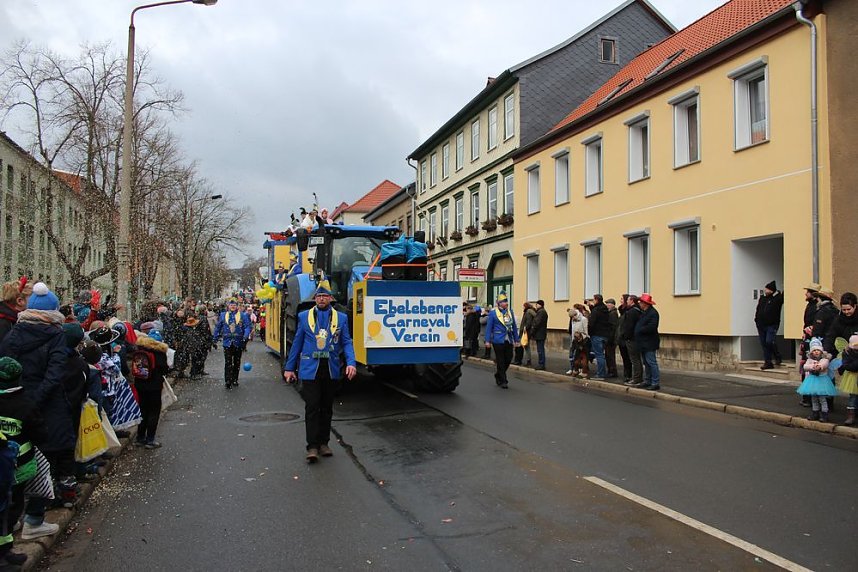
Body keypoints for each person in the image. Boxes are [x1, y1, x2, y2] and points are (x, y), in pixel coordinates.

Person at [0, 283, 69, 541]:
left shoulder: (14, 332)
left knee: (16, 460)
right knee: (44, 460)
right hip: (45, 408)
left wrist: (19, 399)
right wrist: (35, 403)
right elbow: (55, 374)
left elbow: (5, 367)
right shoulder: (55, 335)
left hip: (13, 405)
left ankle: (13, 517)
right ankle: (34, 519)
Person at [282, 282, 356, 463]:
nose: (322, 299)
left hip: (331, 368)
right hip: (310, 369)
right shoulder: (304, 316)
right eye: (319, 297)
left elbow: (346, 342)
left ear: (330, 298)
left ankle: (324, 443)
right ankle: (312, 446)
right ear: (315, 299)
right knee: (312, 407)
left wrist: (351, 363)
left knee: (327, 408)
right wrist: (289, 368)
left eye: (325, 296)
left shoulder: (341, 318)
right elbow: (297, 343)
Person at [0, 357, 45, 569]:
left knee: (7, 509)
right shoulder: (26, 404)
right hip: (18, 467)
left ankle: (5, 547)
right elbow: (39, 433)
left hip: (9, 466)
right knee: (12, 507)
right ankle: (4, 552)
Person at [132, 332, 170, 449]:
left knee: (143, 410)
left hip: (140, 384)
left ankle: (140, 437)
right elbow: (164, 369)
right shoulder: (160, 353)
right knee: (154, 411)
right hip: (154, 386)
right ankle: (150, 439)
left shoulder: (140, 349)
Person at [212, 299, 252, 389]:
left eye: (234, 305)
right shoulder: (223, 315)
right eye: (231, 305)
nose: (232, 307)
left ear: (237, 306)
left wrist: (245, 335)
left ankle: (235, 379)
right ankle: (228, 380)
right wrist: (214, 338)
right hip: (227, 342)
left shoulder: (242, 315)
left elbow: (247, 326)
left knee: (237, 362)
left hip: (238, 342)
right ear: (228, 306)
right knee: (228, 362)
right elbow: (218, 327)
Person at [485, 293, 520, 389]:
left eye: (506, 301)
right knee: (500, 360)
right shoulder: (493, 313)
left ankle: (498, 374)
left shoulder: (510, 312)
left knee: (508, 358)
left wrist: (517, 339)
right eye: (504, 302)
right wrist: (487, 341)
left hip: (508, 339)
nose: (506, 303)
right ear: (499, 303)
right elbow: (489, 328)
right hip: (497, 340)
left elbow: (513, 327)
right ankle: (503, 381)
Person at [797, 340, 836, 421]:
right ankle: (815, 412)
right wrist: (812, 366)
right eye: (814, 350)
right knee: (814, 398)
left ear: (821, 351)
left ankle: (824, 414)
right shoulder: (810, 360)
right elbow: (805, 366)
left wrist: (819, 366)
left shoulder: (824, 359)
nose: (816, 352)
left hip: (822, 381)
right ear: (811, 352)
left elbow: (824, 364)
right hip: (812, 381)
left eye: (818, 350)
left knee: (822, 398)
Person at [755, 280, 784, 370]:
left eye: (767, 289)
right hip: (761, 324)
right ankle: (768, 362)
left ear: (771, 290)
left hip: (772, 324)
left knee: (769, 341)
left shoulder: (777, 298)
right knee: (764, 343)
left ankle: (777, 356)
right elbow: (758, 309)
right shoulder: (763, 298)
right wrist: (756, 320)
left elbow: (783, 296)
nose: (765, 291)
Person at [634, 293, 660, 390]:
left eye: (641, 302)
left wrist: (640, 330)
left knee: (651, 362)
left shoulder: (653, 313)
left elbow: (652, 327)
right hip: (643, 342)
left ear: (646, 303)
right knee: (646, 362)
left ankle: (655, 382)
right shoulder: (644, 312)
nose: (639, 304)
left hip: (649, 342)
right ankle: (648, 380)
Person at [587, 294, 613, 381]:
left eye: (594, 300)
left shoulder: (596, 310)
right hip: (605, 335)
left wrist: (589, 332)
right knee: (601, 354)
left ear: (597, 300)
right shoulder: (605, 309)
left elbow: (592, 322)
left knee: (599, 355)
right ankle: (603, 372)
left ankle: (601, 374)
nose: (593, 301)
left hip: (597, 334)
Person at [0, 278, 33, 345]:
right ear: (20, 301)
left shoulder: (12, 318)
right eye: (32, 297)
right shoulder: (4, 323)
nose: (36, 300)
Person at [621, 296, 644, 387]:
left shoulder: (632, 312)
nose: (626, 301)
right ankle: (638, 377)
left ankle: (637, 378)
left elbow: (629, 326)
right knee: (637, 359)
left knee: (634, 359)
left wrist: (626, 336)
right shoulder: (638, 311)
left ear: (632, 301)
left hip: (631, 338)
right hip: (635, 338)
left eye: (628, 300)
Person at [566, 307, 589, 377]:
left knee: (583, 357)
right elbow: (573, 331)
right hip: (575, 341)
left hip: (582, 341)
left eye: (573, 317)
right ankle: (575, 369)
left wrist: (581, 337)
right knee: (575, 357)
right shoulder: (573, 320)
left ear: (575, 315)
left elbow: (586, 332)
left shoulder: (583, 319)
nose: (572, 319)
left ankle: (583, 371)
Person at [514, 302, 535, 366]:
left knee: (525, 346)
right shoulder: (528, 312)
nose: (522, 307)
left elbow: (528, 322)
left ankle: (526, 361)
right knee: (524, 346)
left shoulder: (528, 312)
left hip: (525, 332)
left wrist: (525, 328)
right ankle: (520, 360)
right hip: (525, 332)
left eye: (523, 306)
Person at [531, 300, 548, 370]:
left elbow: (537, 323)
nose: (536, 306)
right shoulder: (542, 312)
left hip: (540, 333)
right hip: (541, 333)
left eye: (537, 304)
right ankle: (541, 363)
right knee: (540, 349)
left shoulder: (541, 312)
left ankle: (541, 364)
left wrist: (532, 330)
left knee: (540, 350)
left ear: (540, 305)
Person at [604, 298, 619, 378]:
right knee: (608, 355)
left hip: (611, 339)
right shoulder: (611, 313)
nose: (607, 305)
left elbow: (613, 327)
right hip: (610, 338)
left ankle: (612, 371)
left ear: (612, 304)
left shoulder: (613, 314)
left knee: (610, 356)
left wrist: (610, 339)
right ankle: (610, 370)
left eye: (608, 303)